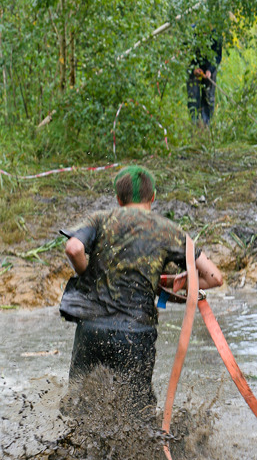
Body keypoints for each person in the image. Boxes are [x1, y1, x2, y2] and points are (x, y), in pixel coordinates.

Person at [59, 165, 223, 412]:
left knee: (78, 405)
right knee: (138, 413)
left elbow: (74, 249)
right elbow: (214, 278)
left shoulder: (101, 219)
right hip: (135, 333)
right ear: (153, 197)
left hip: (91, 328)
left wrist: (86, 273)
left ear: (118, 198)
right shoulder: (169, 230)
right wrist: (169, 284)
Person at [187, 32, 222, 127]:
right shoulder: (192, 32)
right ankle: (194, 124)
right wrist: (193, 68)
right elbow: (186, 52)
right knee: (193, 98)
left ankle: (206, 124)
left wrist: (210, 70)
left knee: (208, 98)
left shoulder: (216, 34)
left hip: (209, 69)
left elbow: (218, 56)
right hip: (194, 68)